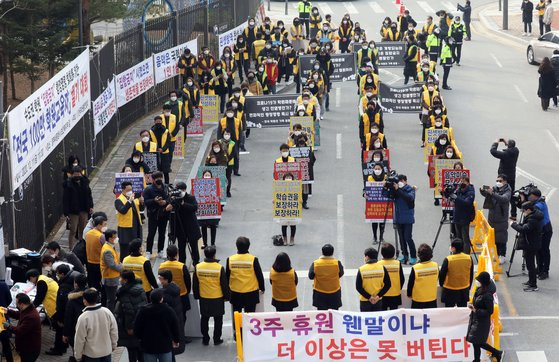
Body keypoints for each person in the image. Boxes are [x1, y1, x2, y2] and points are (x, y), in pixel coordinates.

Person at [193, 246, 230, 345]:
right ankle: (217, 339)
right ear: (214, 255)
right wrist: (227, 297)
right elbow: (224, 284)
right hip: (217, 298)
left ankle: (205, 339)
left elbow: (195, 284)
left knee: (204, 318)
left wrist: (196, 295)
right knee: (218, 320)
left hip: (204, 297)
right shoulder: (219, 268)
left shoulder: (198, 267)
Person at [227, 237, 265, 332]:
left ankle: (238, 334)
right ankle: (250, 333)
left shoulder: (230, 259)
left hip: (236, 293)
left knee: (237, 315)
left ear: (237, 246)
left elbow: (227, 276)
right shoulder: (253, 259)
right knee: (250, 315)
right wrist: (262, 288)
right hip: (251, 293)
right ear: (248, 247)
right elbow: (259, 275)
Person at [134, 288, 180, 362]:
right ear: (161, 299)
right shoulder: (168, 310)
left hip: (148, 346)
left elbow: (136, 328)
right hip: (165, 346)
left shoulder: (142, 311)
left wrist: (141, 339)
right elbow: (175, 327)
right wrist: (176, 340)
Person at [467, 272, 504, 362]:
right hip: (476, 319)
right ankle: (495, 353)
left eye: (479, 280)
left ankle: (493, 354)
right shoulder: (480, 289)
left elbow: (489, 311)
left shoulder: (487, 295)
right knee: (476, 341)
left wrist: (476, 310)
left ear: (483, 282)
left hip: (481, 322)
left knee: (476, 341)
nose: (477, 282)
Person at [74, 288, 118, 362]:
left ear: (85, 300)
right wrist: (114, 344)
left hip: (91, 355)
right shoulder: (107, 312)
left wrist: (78, 355)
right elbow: (114, 330)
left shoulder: (83, 317)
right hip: (106, 351)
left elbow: (79, 339)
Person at [116, 270, 147, 362]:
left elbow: (128, 312)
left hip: (130, 326)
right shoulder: (140, 288)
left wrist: (129, 327)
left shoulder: (124, 293)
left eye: (120, 278)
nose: (119, 279)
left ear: (125, 280)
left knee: (132, 350)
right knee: (140, 349)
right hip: (141, 324)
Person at [511, 202, 543, 291]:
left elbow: (524, 229)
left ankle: (533, 285)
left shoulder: (533, 219)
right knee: (529, 264)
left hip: (531, 244)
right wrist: (517, 224)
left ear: (529, 210)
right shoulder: (532, 216)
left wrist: (513, 225)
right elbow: (524, 226)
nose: (523, 213)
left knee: (530, 265)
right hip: (530, 243)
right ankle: (531, 281)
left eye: (523, 211)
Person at [480, 174, 512, 264]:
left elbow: (503, 199)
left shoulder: (508, 191)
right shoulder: (494, 188)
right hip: (492, 217)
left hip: (501, 218)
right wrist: (482, 191)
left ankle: (502, 255)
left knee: (501, 238)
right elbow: (487, 195)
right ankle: (496, 254)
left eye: (500, 181)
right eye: (497, 180)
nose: (498, 182)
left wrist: (492, 194)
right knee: (494, 238)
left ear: (505, 181)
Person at [386, 175, 417, 265]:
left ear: (405, 181)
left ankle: (413, 256)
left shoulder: (410, 189)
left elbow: (409, 198)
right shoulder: (395, 190)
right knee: (401, 238)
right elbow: (387, 196)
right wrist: (385, 188)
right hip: (398, 218)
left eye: (401, 181)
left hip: (407, 219)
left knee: (408, 238)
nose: (400, 183)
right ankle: (404, 255)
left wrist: (398, 190)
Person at [47, 264, 77, 356]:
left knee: (59, 332)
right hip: (67, 314)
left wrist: (59, 319)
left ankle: (58, 349)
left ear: (63, 274)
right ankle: (63, 347)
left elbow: (61, 304)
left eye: (58, 274)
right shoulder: (70, 281)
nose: (57, 275)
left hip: (62, 314)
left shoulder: (64, 286)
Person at [63, 166, 94, 250]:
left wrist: (91, 206)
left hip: (84, 209)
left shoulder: (85, 182)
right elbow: (65, 199)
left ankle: (81, 247)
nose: (77, 176)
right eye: (75, 174)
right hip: (73, 211)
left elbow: (89, 195)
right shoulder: (68, 184)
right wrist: (66, 213)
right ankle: (71, 248)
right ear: (72, 175)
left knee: (83, 229)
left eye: (79, 174)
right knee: (73, 229)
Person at [159, 245, 192, 323]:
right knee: (182, 316)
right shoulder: (181, 266)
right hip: (182, 294)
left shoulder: (162, 266)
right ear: (177, 254)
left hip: (166, 293)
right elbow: (188, 281)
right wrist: (187, 291)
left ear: (167, 254)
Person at [4, 293, 41, 362]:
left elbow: (20, 331)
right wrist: (8, 311)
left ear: (22, 304)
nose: (16, 305)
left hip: (30, 350)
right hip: (26, 347)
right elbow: (19, 314)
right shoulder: (27, 309)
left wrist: (8, 326)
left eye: (17, 303)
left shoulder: (31, 316)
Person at [173, 181, 202, 264]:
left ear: (184, 190)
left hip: (191, 226)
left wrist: (183, 204)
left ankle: (196, 262)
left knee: (194, 247)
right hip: (180, 227)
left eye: (180, 190)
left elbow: (194, 208)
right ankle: (182, 263)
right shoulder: (175, 198)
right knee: (181, 248)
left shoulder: (191, 198)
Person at [308, 243, 344, 310]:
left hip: (320, 293)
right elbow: (341, 273)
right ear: (332, 252)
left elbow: (310, 276)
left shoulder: (316, 263)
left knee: (321, 314)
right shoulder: (337, 263)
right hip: (334, 292)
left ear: (322, 252)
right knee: (334, 313)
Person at [157, 270, 185, 356]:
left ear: (166, 280)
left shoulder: (165, 293)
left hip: (171, 320)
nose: (159, 281)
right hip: (178, 316)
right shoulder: (175, 287)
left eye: (160, 279)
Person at [144, 171, 171, 258]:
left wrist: (165, 202)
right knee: (151, 233)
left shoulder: (166, 188)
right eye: (157, 178)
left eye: (160, 178)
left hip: (164, 214)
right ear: (153, 179)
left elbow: (170, 198)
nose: (159, 180)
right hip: (153, 214)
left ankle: (161, 250)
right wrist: (154, 201)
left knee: (162, 233)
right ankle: (148, 251)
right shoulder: (148, 189)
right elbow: (146, 202)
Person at [490, 139, 519, 220]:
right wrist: (507, 144)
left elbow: (493, 151)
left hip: (503, 177)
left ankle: (500, 211)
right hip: (512, 176)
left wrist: (496, 142)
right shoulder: (516, 151)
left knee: (500, 193)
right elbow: (511, 148)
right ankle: (514, 214)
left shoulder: (505, 154)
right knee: (512, 195)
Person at [439, 239, 474, 307]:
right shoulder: (469, 258)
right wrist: (468, 286)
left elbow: (442, 275)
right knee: (462, 311)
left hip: (450, 290)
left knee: (449, 311)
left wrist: (441, 284)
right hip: (464, 289)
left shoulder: (448, 259)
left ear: (454, 248)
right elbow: (471, 274)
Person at [115, 181, 144, 261]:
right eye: (128, 190)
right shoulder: (118, 200)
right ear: (123, 189)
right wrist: (129, 201)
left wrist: (142, 202)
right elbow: (122, 210)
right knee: (125, 249)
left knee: (136, 246)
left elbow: (141, 209)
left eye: (131, 189)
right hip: (125, 228)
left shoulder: (134, 197)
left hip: (136, 225)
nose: (130, 192)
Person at [528, 188, 553, 279]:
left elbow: (532, 209)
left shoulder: (540, 204)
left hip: (546, 230)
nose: (529, 196)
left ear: (535, 196)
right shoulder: (536, 201)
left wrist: (525, 203)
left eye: (531, 195)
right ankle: (539, 268)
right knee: (538, 249)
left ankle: (545, 271)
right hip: (539, 230)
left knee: (544, 250)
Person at [356, 248, 391, 312]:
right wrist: (378, 296)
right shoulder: (382, 268)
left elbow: (358, 287)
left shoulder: (361, 269)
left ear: (367, 257)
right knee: (377, 320)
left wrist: (369, 297)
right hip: (378, 301)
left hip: (365, 301)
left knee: (365, 320)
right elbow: (388, 284)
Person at [407, 244, 438, 309]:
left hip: (418, 299)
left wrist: (409, 294)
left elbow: (410, 283)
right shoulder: (435, 265)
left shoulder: (415, 268)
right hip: (432, 298)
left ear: (419, 255)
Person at [62, 273, 88, 353]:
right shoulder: (92, 296)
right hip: (89, 330)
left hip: (75, 330)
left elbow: (68, 318)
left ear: (76, 284)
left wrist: (65, 334)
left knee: (76, 353)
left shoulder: (72, 299)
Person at [100, 229, 123, 312]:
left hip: (112, 276)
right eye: (115, 237)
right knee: (111, 299)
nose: (116, 238)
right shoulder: (107, 250)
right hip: (110, 278)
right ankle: (110, 314)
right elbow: (112, 265)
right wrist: (122, 267)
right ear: (110, 239)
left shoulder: (110, 246)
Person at [378, 243, 405, 310]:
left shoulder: (379, 264)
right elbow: (402, 278)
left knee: (383, 313)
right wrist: (399, 288)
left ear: (382, 253)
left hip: (382, 294)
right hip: (395, 293)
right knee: (394, 313)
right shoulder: (397, 263)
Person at [452, 177, 476, 253]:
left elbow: (466, 203)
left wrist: (456, 198)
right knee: (458, 238)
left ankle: (466, 256)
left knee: (465, 239)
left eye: (464, 182)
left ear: (468, 183)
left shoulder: (470, 192)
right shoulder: (458, 190)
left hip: (465, 218)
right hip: (457, 217)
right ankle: (459, 254)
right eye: (461, 181)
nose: (462, 183)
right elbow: (451, 197)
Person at [85, 215, 106, 295]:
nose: (105, 226)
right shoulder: (101, 236)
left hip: (89, 261)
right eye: (104, 224)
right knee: (99, 282)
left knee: (92, 282)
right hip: (99, 263)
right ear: (99, 225)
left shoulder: (88, 234)